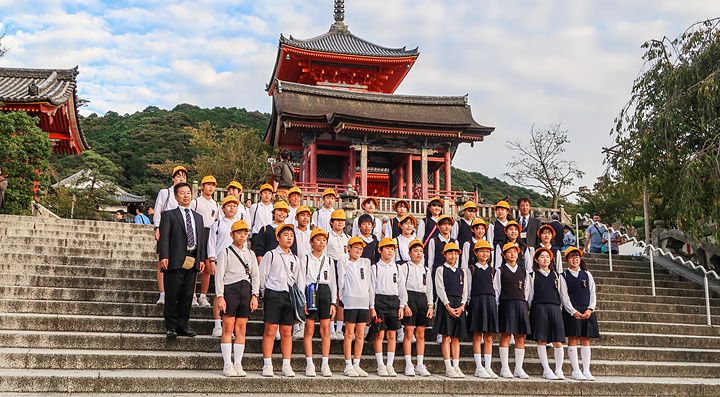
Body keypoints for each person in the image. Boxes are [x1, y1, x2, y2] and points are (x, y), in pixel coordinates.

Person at [158, 182, 206, 340]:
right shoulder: (169, 215)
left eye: (188, 193)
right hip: (175, 258)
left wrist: (201, 258)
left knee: (187, 295)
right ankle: (171, 327)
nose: (186, 196)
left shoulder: (198, 217)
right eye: (182, 193)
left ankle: (183, 326)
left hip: (193, 259)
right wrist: (164, 256)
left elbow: (201, 240)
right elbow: (164, 238)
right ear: (176, 196)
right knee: (172, 294)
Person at [215, 220, 259, 377]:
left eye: (245, 233)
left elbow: (255, 275)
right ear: (232, 234)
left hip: (245, 290)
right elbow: (219, 276)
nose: (242, 236)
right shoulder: (225, 252)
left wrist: (255, 295)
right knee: (228, 327)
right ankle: (227, 364)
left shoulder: (251, 254)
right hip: (230, 289)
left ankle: (238, 363)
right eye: (239, 232)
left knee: (241, 328)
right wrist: (220, 296)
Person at [259, 223, 302, 377]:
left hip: (289, 295)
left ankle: (286, 364)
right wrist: (265, 293)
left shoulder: (295, 258)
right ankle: (267, 364)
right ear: (278, 237)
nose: (289, 237)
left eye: (291, 235)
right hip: (273, 294)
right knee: (270, 330)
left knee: (286, 331)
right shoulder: (271, 254)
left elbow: (298, 280)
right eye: (285, 235)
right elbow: (262, 276)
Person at [529, 248, 570, 380]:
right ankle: (546, 369)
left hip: (554, 308)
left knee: (558, 341)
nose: (545, 259)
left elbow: (562, 294)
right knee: (542, 340)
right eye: (542, 257)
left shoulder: (557, 275)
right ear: (536, 259)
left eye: (547, 256)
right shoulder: (532, 275)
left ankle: (559, 369)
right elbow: (529, 294)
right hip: (539, 307)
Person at [301, 228, 336, 377]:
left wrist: (333, 302)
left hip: (325, 291)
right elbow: (301, 279)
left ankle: (325, 363)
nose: (321, 242)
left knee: (325, 329)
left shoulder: (328, 260)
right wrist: (303, 300)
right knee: (309, 328)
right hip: (310, 291)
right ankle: (309, 363)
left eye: (324, 240)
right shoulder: (306, 258)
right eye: (318, 239)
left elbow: (333, 282)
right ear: (311, 242)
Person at [337, 236, 373, 377]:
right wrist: (343, 297)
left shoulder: (366, 262)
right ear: (349, 248)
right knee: (349, 333)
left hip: (363, 301)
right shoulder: (343, 261)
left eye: (361, 248)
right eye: (355, 247)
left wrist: (371, 304)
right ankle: (348, 364)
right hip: (350, 300)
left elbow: (370, 283)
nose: (358, 250)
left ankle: (357, 363)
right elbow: (341, 280)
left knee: (360, 334)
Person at [494, 242, 531, 379]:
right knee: (506, 335)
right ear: (504, 255)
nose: (512, 254)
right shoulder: (500, 270)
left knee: (520, 336)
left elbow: (527, 290)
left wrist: (524, 302)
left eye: (515, 251)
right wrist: (498, 305)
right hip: (506, 304)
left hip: (520, 304)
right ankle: (505, 368)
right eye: (509, 252)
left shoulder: (524, 271)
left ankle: (518, 368)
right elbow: (496, 289)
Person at [561, 247, 599, 381]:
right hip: (572, 311)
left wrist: (590, 309)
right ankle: (576, 370)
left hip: (587, 310)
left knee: (585, 339)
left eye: (577, 256)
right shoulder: (563, 276)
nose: (574, 259)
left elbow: (593, 293)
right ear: (567, 260)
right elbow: (564, 296)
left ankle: (586, 370)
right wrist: (573, 311)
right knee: (572, 339)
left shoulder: (587, 274)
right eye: (571, 257)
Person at [371, 238, 407, 377]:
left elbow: (401, 287)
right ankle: (380, 364)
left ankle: (390, 364)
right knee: (380, 333)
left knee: (392, 334)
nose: (390, 251)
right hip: (379, 300)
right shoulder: (375, 267)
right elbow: (371, 287)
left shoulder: (398, 268)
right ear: (380, 250)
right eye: (387, 248)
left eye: (392, 249)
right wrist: (372, 307)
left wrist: (402, 305)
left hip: (394, 301)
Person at [207, 195, 241, 337]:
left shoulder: (240, 225)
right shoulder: (217, 225)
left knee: (231, 295)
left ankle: (229, 327)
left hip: (235, 263)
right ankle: (217, 324)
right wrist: (212, 260)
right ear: (223, 208)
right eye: (229, 205)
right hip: (220, 261)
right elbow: (211, 244)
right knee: (218, 293)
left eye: (234, 205)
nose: (231, 208)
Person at [153, 165, 187, 305]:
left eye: (183, 176)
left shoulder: (186, 194)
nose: (181, 178)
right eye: (178, 176)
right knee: (162, 262)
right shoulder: (165, 192)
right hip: (166, 229)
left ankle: (175, 293)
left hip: (179, 232)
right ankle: (162, 293)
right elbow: (158, 210)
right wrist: (157, 227)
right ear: (173, 178)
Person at [465, 239, 499, 379]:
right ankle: (479, 366)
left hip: (490, 302)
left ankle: (488, 366)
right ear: (476, 253)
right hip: (477, 301)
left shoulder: (493, 270)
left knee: (489, 337)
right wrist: (467, 303)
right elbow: (468, 288)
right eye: (482, 251)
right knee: (478, 335)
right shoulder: (471, 269)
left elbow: (496, 289)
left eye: (487, 251)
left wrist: (495, 304)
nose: (485, 254)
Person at [434, 241, 468, 378]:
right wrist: (447, 305)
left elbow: (465, 290)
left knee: (456, 338)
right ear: (445, 255)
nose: (453, 256)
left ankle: (456, 366)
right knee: (446, 336)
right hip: (446, 303)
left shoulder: (462, 271)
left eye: (455, 253)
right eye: (450, 253)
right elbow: (440, 288)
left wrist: (462, 306)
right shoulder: (441, 269)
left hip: (459, 304)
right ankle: (448, 366)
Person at [401, 239, 433, 377]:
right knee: (409, 333)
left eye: (420, 251)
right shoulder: (405, 267)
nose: (418, 254)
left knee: (421, 334)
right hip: (410, 297)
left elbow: (429, 289)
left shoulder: (426, 269)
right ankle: (409, 363)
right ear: (409, 253)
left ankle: (420, 363)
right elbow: (401, 286)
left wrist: (430, 305)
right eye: (415, 251)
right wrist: (405, 304)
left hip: (422, 300)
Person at [191, 176, 220, 309]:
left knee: (208, 267)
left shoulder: (216, 204)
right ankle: (192, 294)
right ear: (202, 186)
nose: (210, 187)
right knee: (195, 265)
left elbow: (217, 222)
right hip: (198, 232)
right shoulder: (195, 202)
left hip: (211, 233)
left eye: (213, 185)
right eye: (208, 184)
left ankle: (203, 295)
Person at [326, 209, 349, 340]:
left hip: (343, 267)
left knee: (341, 297)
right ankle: (331, 327)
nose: (340, 223)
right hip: (330, 265)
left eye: (342, 220)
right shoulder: (327, 236)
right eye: (337, 220)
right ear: (331, 222)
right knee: (332, 296)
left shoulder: (347, 238)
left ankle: (339, 328)